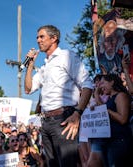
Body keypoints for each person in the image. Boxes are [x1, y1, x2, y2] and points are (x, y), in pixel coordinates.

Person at [24, 25, 93, 167]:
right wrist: (30, 65)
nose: (38, 40)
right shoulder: (44, 67)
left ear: (54, 38)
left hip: (64, 119)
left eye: (41, 36)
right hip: (46, 122)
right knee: (52, 164)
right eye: (37, 37)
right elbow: (28, 89)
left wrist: (77, 114)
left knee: (67, 164)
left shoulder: (66, 56)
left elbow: (87, 85)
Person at [88, 74, 133, 167]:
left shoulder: (121, 95)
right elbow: (103, 112)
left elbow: (123, 119)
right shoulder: (109, 99)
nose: (100, 86)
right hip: (110, 141)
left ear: (112, 82)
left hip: (119, 140)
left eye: (103, 83)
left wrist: (106, 110)